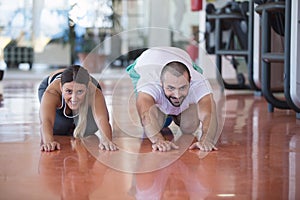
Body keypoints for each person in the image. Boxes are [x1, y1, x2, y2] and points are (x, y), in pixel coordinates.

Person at [126, 46, 218, 152]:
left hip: (181, 56)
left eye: (183, 87)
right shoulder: (148, 83)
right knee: (157, 125)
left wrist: (207, 139)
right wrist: (158, 140)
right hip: (147, 60)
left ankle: (174, 112)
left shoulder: (199, 81)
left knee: (189, 126)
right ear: (161, 83)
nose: (177, 95)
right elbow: (145, 114)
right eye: (171, 88)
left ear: (190, 80)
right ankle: (164, 112)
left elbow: (209, 113)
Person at [38, 65, 118, 152]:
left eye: (79, 92)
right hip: (50, 87)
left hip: (88, 88)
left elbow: (102, 119)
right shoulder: (52, 92)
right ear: (61, 88)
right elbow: (47, 121)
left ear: (87, 89)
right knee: (59, 128)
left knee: (91, 127)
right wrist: (48, 141)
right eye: (69, 91)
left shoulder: (93, 91)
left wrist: (107, 140)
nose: (74, 98)